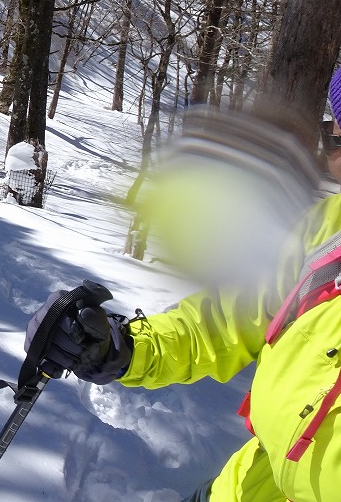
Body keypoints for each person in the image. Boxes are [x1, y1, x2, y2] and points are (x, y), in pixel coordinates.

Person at [22, 71, 341, 502]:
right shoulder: (328, 229)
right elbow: (226, 321)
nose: (334, 159)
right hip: (248, 485)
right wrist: (120, 347)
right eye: (333, 135)